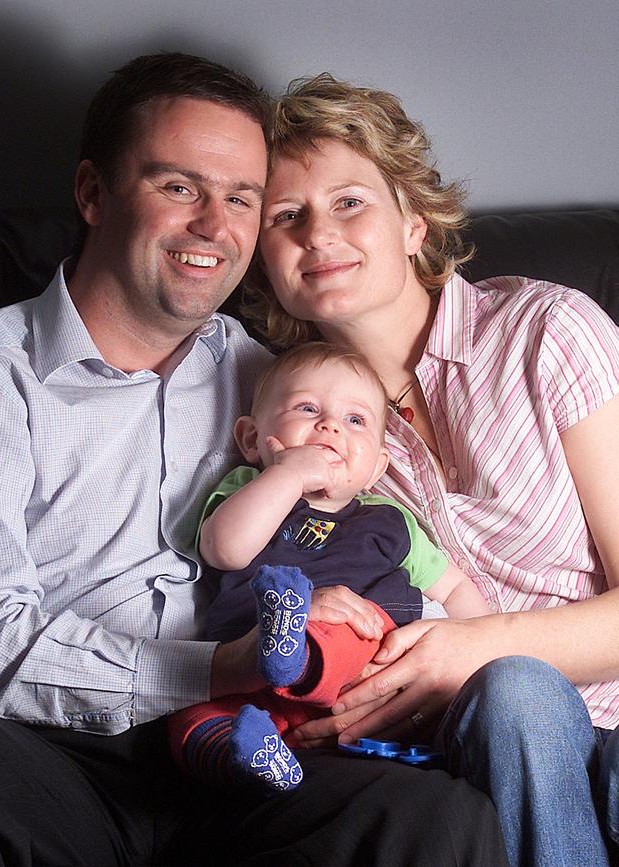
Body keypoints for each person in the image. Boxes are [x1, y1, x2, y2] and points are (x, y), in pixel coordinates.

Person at [0, 54, 510, 867]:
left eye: (243, 198)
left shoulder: (270, 376)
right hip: (55, 751)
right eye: (179, 187)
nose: (214, 226)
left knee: (434, 817)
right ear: (92, 194)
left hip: (268, 747)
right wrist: (216, 670)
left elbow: (374, 517)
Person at [244, 71, 619, 866]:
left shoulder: (547, 332)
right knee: (504, 703)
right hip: (454, 754)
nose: (319, 234)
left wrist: (474, 648)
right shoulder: (293, 428)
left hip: (609, 728)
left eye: (350, 201)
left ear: (414, 223)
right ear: (263, 257)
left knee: (513, 684)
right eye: (287, 216)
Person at [168, 342, 490, 793]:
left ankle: (297, 655)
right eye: (306, 408)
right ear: (250, 439)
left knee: (344, 624)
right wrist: (289, 475)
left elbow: (455, 589)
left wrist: (483, 654)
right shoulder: (249, 489)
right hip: (247, 667)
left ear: (376, 467)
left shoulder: (390, 522)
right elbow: (227, 551)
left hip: (360, 671)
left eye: (355, 420)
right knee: (188, 721)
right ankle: (250, 759)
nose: (330, 426)